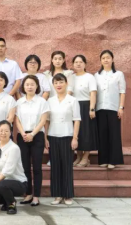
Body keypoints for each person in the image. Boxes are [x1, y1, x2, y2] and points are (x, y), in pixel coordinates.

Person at [46, 73, 81, 206]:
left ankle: (68, 195)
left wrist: (75, 138)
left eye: (61, 82)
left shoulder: (72, 100)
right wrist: (45, 137)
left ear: (66, 83)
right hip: (53, 135)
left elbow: (76, 120)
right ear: (53, 85)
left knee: (67, 166)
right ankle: (57, 195)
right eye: (56, 83)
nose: (58, 85)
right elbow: (47, 120)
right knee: (55, 166)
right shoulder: (50, 101)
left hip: (67, 135)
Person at [15, 75, 49, 206]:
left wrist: (32, 134)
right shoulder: (19, 102)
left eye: (32, 84)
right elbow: (17, 120)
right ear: (23, 87)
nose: (29, 87)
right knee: (25, 167)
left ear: (37, 86)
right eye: (27, 84)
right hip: (23, 136)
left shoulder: (42, 102)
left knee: (37, 167)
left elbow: (43, 120)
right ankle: (28, 194)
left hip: (37, 136)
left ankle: (36, 196)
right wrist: (24, 133)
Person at [0, 120, 27, 215]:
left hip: (18, 182)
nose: (3, 133)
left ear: (10, 133)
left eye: (6, 131)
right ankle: (7, 201)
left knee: (1, 185)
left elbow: (7, 171)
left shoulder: (14, 148)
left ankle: (11, 204)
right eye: (1, 131)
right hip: (4, 182)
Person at [94, 50, 126, 169]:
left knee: (114, 134)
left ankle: (113, 160)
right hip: (100, 108)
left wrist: (121, 107)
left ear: (112, 59)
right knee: (102, 134)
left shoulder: (118, 74)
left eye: (108, 57)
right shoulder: (96, 75)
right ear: (100, 60)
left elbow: (122, 92)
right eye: (103, 58)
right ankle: (103, 159)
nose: (106, 60)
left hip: (113, 108)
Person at [69, 54, 98, 167]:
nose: (78, 64)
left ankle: (86, 157)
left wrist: (92, 108)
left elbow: (93, 93)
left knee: (86, 132)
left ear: (85, 64)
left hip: (86, 106)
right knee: (77, 132)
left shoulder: (90, 77)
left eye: (81, 62)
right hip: (74, 105)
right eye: (76, 62)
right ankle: (79, 156)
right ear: (73, 64)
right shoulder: (71, 77)